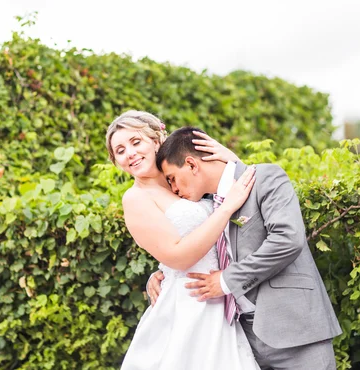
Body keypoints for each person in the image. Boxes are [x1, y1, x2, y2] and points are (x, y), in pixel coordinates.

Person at [150, 126, 343, 369]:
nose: (174, 189)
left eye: (172, 179)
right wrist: (162, 274)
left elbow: (287, 239)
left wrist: (225, 281)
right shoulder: (205, 206)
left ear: (191, 164)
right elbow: (189, 249)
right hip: (238, 340)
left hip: (295, 329)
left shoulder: (265, 178)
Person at [106, 110, 260, 369]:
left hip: (224, 296)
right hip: (189, 303)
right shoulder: (134, 198)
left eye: (136, 142)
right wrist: (225, 210)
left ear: (157, 140)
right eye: (120, 150)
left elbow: (236, 192)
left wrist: (231, 160)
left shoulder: (186, 170)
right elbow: (178, 256)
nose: (130, 153)